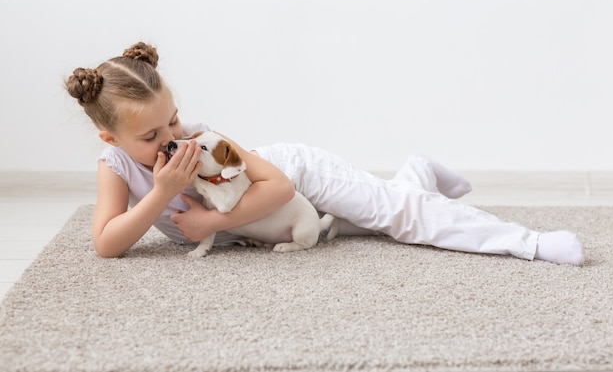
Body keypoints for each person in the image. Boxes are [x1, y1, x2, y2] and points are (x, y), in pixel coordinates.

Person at [65, 42, 585, 265]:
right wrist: (162, 195)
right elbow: (108, 245)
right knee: (378, 224)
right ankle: (417, 171)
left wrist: (210, 226)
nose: (171, 138)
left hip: (296, 179)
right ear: (113, 141)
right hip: (270, 228)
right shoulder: (115, 167)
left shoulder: (200, 136)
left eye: (172, 119)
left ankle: (530, 244)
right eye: (152, 137)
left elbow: (280, 187)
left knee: (398, 215)